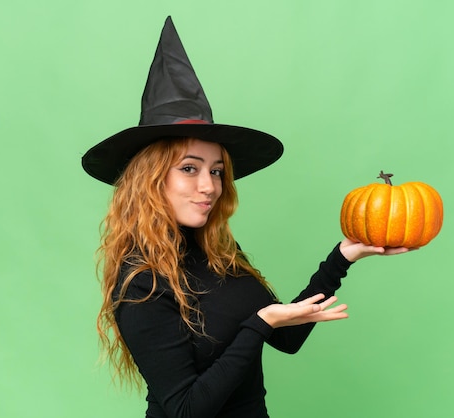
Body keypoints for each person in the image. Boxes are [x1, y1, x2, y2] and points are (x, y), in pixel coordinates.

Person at [82, 17, 411, 418]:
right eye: (189, 168)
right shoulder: (141, 282)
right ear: (150, 181)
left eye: (216, 171)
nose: (209, 186)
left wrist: (342, 257)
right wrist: (260, 322)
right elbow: (186, 409)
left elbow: (285, 338)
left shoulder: (220, 252)